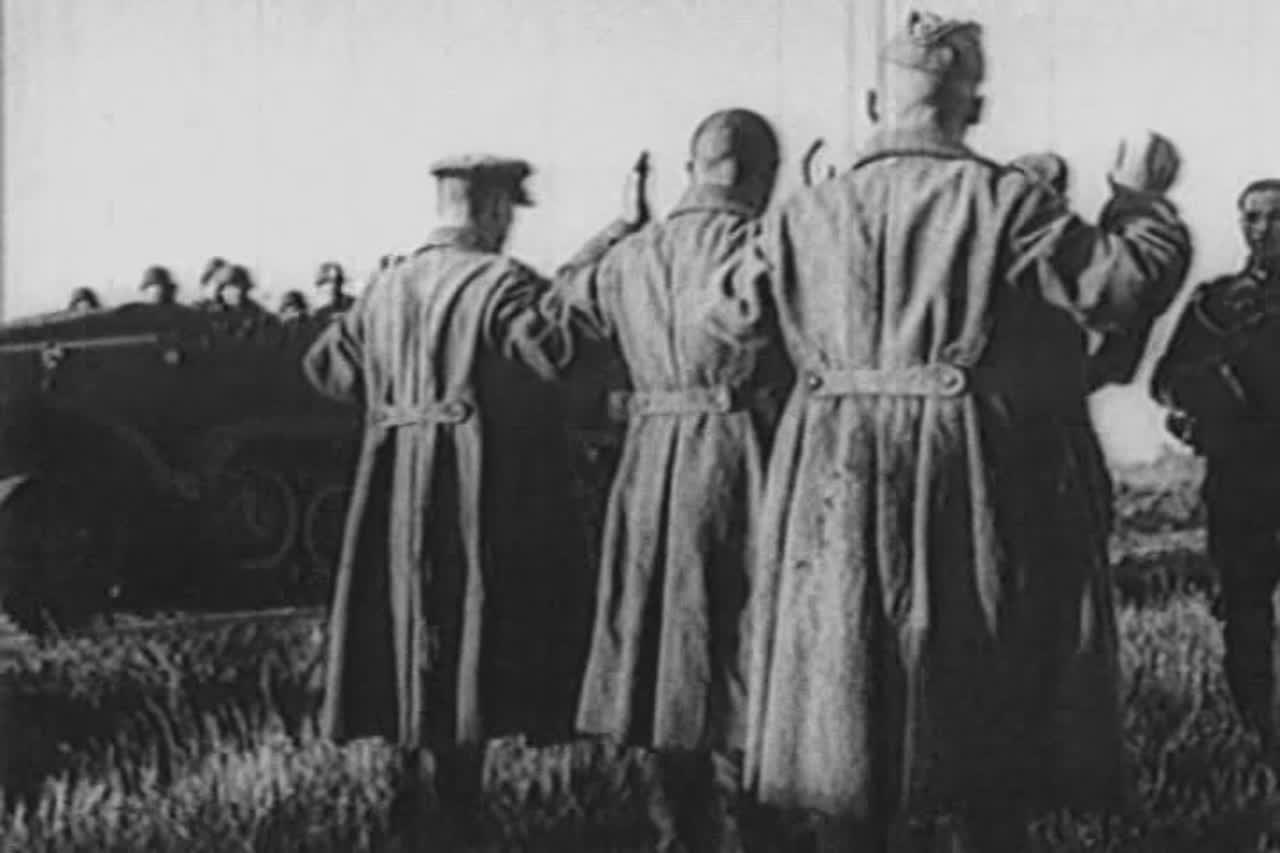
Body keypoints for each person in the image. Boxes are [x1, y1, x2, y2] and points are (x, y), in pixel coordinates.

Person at [714, 12, 1191, 851]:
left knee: (844, 696)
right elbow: (1120, 287)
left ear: (875, 103)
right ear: (975, 108)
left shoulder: (803, 213)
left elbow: (728, 321)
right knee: (983, 693)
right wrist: (1141, 201)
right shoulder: (1008, 202)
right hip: (967, 470)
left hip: (830, 473)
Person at [303, 154, 646, 763]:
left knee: (409, 640)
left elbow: (328, 369)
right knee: (472, 640)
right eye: (507, 213)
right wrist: (611, 243)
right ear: (490, 209)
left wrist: (400, 405)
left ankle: (420, 785)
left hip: (394, 496)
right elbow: (559, 353)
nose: (508, 227)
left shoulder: (383, 288)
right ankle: (455, 786)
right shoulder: (502, 283)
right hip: (476, 494)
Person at [550, 111, 789, 851]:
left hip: (650, 469)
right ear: (763, 174)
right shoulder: (765, 244)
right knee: (750, 651)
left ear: (693, 169)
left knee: (659, 658)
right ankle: (757, 834)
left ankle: (675, 834)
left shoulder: (629, 256)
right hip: (746, 461)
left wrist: (620, 225)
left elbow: (559, 304)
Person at [1152, 178, 1280, 749]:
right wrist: (1197, 404)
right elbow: (1166, 380)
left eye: (1277, 217)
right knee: (1245, 607)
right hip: (1240, 476)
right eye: (1253, 217)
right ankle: (1259, 733)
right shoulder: (1215, 303)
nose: (1264, 229)